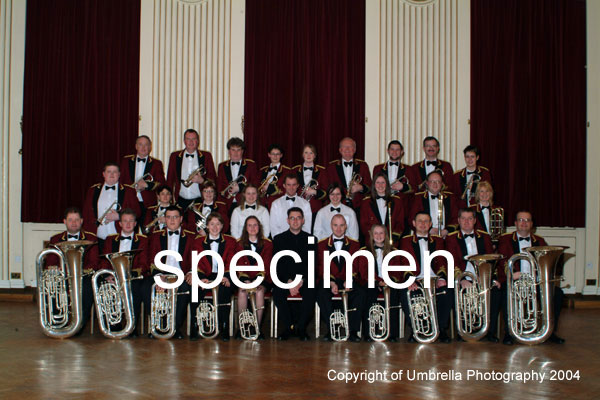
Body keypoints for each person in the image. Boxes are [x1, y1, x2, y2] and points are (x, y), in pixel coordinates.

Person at [497, 210, 566, 345]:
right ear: (515, 223)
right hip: (514, 280)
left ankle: (550, 331)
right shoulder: (505, 239)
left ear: (532, 224)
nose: (524, 223)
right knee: (506, 294)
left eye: (527, 220)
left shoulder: (539, 241)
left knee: (557, 293)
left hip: (535, 282)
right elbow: (503, 259)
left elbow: (545, 261)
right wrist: (512, 273)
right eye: (521, 220)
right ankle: (509, 332)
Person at [398, 212, 452, 343]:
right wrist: (410, 280)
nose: (423, 224)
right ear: (414, 223)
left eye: (426, 221)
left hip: (434, 278)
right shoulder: (405, 240)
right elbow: (404, 261)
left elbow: (442, 260)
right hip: (416, 278)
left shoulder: (438, 240)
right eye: (420, 221)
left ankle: (441, 329)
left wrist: (442, 278)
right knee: (407, 293)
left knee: (447, 292)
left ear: (431, 224)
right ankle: (416, 329)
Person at [45, 207, 100, 335]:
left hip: (83, 276)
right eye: (70, 220)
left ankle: (79, 325)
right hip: (63, 276)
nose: (74, 223)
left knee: (87, 289)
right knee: (53, 286)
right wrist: (60, 270)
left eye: (76, 220)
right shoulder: (55, 239)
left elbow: (94, 262)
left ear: (81, 221)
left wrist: (78, 272)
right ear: (64, 221)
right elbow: (51, 262)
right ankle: (58, 323)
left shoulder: (91, 238)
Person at [145, 205, 196, 339]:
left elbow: (195, 257)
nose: (172, 220)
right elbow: (151, 258)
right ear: (165, 219)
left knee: (185, 289)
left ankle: (175, 328)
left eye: (175, 217)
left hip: (182, 275)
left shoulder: (190, 237)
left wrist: (191, 272)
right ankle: (157, 326)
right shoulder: (156, 236)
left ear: (181, 219)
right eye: (168, 217)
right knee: (146, 287)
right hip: (161, 273)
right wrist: (158, 276)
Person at [445, 208, 496, 342]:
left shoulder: (485, 237)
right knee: (455, 292)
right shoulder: (451, 238)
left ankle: (489, 331)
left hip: (482, 278)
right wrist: (461, 279)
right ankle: (463, 330)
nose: (466, 221)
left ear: (474, 221)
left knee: (496, 292)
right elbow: (451, 261)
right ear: (458, 220)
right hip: (463, 278)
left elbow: (491, 259)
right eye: (463, 218)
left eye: (469, 218)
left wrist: (489, 278)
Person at [100, 208, 149, 337]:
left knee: (135, 288)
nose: (128, 224)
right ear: (120, 223)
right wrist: (108, 275)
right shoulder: (110, 240)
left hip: (133, 278)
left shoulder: (143, 240)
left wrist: (128, 276)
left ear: (135, 224)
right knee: (106, 288)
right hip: (113, 277)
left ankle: (132, 327)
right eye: (125, 221)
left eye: (131, 221)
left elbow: (144, 263)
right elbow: (104, 261)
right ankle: (113, 326)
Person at [272, 207, 318, 340]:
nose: (295, 221)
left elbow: (312, 264)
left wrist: (301, 280)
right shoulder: (279, 239)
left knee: (311, 291)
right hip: (285, 279)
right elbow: (278, 264)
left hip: (304, 279)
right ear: (287, 220)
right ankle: (289, 327)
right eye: (292, 218)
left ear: (303, 220)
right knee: (277, 293)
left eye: (298, 218)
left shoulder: (311, 239)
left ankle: (301, 328)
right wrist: (288, 281)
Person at [316, 215, 363, 342]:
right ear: (331, 226)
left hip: (347, 278)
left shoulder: (354, 244)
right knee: (321, 293)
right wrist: (331, 282)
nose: (338, 229)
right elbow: (321, 266)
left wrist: (349, 279)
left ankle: (353, 331)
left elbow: (355, 264)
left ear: (346, 226)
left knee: (360, 293)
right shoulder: (321, 244)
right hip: (329, 278)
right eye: (335, 225)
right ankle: (332, 329)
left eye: (341, 225)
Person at [192, 212, 238, 341]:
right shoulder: (198, 241)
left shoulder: (230, 241)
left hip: (224, 274)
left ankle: (224, 326)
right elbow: (197, 262)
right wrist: (201, 277)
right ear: (207, 226)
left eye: (218, 224)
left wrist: (226, 276)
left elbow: (231, 261)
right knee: (195, 290)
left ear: (222, 226)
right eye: (212, 224)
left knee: (224, 289)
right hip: (206, 274)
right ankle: (195, 326)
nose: (215, 227)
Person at [357, 224, 403, 342]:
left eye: (381, 233)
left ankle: (392, 332)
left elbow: (397, 270)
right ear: (371, 235)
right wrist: (378, 281)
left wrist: (387, 280)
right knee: (368, 293)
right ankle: (369, 332)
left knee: (393, 294)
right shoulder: (364, 251)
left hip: (389, 281)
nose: (378, 236)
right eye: (376, 233)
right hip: (372, 281)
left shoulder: (394, 251)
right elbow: (364, 271)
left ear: (386, 235)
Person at [82, 162, 141, 246]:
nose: (112, 174)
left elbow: (137, 212)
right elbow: (86, 214)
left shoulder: (128, 191)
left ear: (119, 174)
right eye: (109, 171)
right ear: (103, 174)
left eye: (115, 172)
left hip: (119, 237)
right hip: (97, 237)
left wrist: (119, 216)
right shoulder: (93, 190)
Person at [234, 215, 273, 340]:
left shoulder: (267, 244)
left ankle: (257, 327)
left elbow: (266, 263)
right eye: (249, 225)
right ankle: (242, 328)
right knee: (242, 292)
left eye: (255, 225)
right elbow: (239, 263)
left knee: (259, 292)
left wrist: (256, 281)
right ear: (245, 228)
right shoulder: (239, 244)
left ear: (259, 227)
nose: (252, 228)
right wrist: (245, 280)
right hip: (245, 278)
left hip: (262, 278)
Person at [119, 135, 167, 224]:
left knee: (147, 230)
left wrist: (147, 185)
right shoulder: (126, 161)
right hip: (129, 202)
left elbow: (162, 183)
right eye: (140, 144)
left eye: (146, 145)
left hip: (148, 204)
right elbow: (120, 181)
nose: (143, 147)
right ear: (136, 146)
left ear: (150, 147)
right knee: (129, 229)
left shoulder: (156, 163)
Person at [166, 129, 218, 210]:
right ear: (184, 141)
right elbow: (170, 180)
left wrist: (202, 181)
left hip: (200, 200)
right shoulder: (174, 156)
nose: (191, 142)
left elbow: (213, 178)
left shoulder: (206, 156)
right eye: (188, 139)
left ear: (198, 141)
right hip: (180, 200)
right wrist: (169, 201)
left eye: (194, 139)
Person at [359, 172, 406, 246]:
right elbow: (364, 224)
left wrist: (393, 237)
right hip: (372, 243)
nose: (380, 185)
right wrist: (376, 237)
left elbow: (400, 223)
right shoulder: (366, 202)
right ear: (374, 185)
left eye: (383, 182)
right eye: (377, 182)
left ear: (387, 184)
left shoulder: (397, 201)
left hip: (392, 242)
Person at [326, 137, 372, 208]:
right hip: (338, 205)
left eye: (350, 147)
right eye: (344, 147)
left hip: (359, 206)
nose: (347, 149)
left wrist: (361, 188)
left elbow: (370, 187)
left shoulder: (363, 165)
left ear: (354, 150)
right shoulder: (331, 167)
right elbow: (327, 188)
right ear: (340, 150)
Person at [409, 171, 457, 238]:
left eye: (438, 181)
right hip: (424, 236)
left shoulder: (450, 198)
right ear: (427, 183)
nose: (435, 184)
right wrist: (429, 229)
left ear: (442, 184)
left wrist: (447, 230)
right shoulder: (418, 198)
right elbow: (412, 218)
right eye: (432, 181)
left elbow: (456, 217)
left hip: (446, 237)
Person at [216, 137, 259, 211]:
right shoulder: (222, 166)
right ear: (229, 151)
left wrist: (240, 188)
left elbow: (255, 184)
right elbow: (219, 187)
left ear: (242, 151)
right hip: (227, 204)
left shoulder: (251, 165)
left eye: (238, 150)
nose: (236, 153)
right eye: (233, 150)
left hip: (245, 202)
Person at [291, 144, 328, 214]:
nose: (308, 155)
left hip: (315, 209)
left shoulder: (322, 171)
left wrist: (314, 192)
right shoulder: (294, 170)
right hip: (298, 208)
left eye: (311, 153)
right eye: (306, 153)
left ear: (315, 155)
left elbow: (327, 192)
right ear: (303, 155)